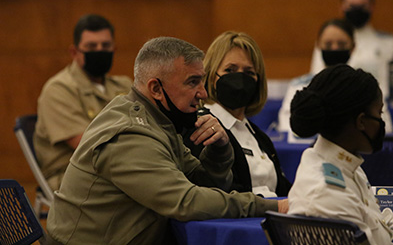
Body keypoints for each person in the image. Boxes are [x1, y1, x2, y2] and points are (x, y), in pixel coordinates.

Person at [46, 37, 288, 245]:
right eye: (192, 82)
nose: (203, 93)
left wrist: (220, 149)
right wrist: (269, 206)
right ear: (156, 89)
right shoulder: (131, 134)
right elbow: (187, 202)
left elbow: (205, 184)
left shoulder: (157, 120)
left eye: (202, 82)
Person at [288, 64, 393, 244]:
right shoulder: (327, 194)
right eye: (379, 113)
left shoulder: (346, 167)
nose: (381, 121)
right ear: (361, 121)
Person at [183, 31, 291, 197]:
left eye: (248, 72)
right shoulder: (200, 127)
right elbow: (217, 192)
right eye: (230, 70)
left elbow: (284, 190)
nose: (239, 78)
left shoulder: (260, 137)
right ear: (211, 76)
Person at [33, 14, 133, 191]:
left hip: (122, 166)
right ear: (74, 52)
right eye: (91, 46)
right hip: (74, 174)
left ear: (114, 49)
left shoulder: (124, 84)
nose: (99, 50)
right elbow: (89, 147)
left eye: (105, 46)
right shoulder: (58, 90)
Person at [310, 0, 393, 103]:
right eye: (352, 6)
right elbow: (317, 78)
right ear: (342, 6)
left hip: (377, 106)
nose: (356, 10)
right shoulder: (328, 42)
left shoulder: (389, 43)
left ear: (372, 7)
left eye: (362, 6)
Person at [278, 18, 356, 132]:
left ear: (353, 46)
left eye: (341, 44)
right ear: (319, 45)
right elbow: (287, 125)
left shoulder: (366, 86)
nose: (335, 48)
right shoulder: (299, 86)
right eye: (328, 44)